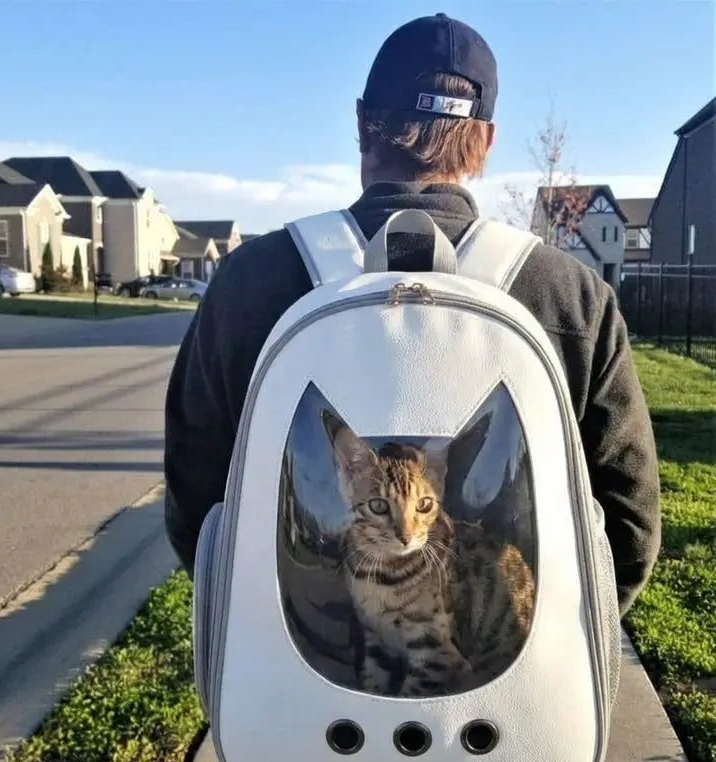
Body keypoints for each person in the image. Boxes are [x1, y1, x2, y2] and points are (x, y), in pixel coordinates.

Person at [164, 13, 660, 617]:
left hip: (284, 683)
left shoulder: (248, 282)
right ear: (487, 140)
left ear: (361, 121)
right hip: (517, 683)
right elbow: (630, 529)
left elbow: (196, 505)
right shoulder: (574, 299)